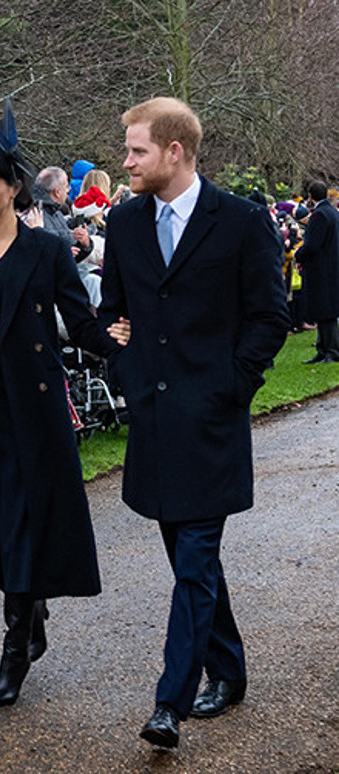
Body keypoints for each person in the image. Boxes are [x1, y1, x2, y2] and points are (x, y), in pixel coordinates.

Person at [98, 97, 289, 749]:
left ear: (174, 152)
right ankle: (230, 670)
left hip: (211, 425)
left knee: (196, 559)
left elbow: (270, 315)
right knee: (192, 564)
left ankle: (169, 701)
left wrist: (231, 388)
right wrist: (122, 368)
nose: (126, 162)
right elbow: (110, 316)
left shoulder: (239, 221)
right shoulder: (122, 225)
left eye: (136, 151)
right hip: (153, 425)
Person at [0, 105, 129, 708]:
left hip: (33, 411)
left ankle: (14, 647)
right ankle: (30, 608)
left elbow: (78, 318)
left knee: (20, 517)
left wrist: (117, 336)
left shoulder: (44, 249)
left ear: (13, 187)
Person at [295, 180, 339, 363]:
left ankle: (331, 350)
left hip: (321, 268)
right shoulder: (332, 213)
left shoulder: (320, 215)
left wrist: (299, 255)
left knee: (325, 309)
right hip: (331, 265)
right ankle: (324, 348)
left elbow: (312, 245)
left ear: (311, 196)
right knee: (326, 309)